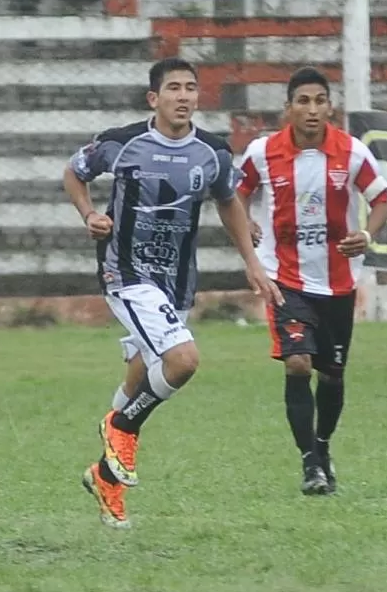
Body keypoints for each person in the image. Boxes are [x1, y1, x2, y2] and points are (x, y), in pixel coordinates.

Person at [64, 57, 282, 529]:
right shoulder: (122, 144)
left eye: (190, 88)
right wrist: (88, 215)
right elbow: (73, 173)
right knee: (182, 360)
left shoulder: (213, 152)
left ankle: (106, 478)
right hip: (126, 273)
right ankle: (119, 429)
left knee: (140, 378)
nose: (184, 96)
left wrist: (252, 262)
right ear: (154, 98)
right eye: (174, 88)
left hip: (177, 282)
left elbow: (229, 200)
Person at [237, 66, 387, 495]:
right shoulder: (262, 153)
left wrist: (366, 234)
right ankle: (309, 463)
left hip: (339, 283)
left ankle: (322, 446)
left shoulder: (353, 153)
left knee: (332, 376)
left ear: (330, 107)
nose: (312, 109)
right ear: (288, 108)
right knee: (297, 363)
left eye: (319, 101)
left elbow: (382, 199)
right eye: (302, 101)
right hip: (284, 279)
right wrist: (246, 222)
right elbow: (234, 192)